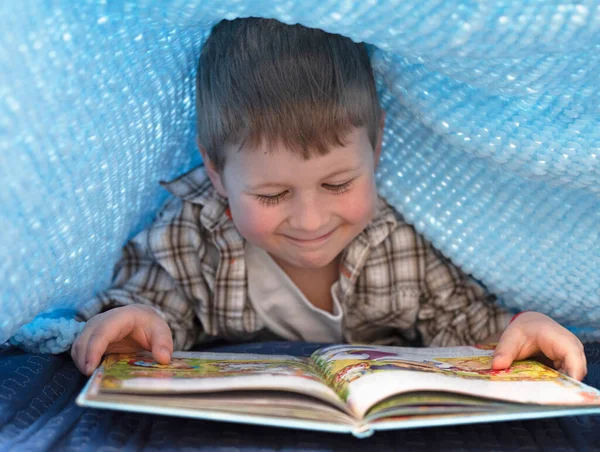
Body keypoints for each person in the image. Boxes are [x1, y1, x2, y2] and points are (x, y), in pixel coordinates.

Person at [71, 18, 586, 380]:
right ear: (215, 170)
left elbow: (465, 323)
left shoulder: (397, 238)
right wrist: (126, 326)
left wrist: (526, 331)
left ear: (377, 146)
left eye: (338, 184)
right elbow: (148, 306)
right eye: (272, 193)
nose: (311, 219)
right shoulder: (191, 230)